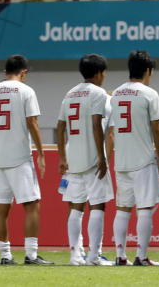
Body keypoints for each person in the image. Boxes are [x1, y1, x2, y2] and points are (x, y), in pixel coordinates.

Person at [0, 54, 51, 265]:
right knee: (31, 206)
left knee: (1, 209)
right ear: (24, 72)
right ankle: (31, 254)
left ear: (4, 72)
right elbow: (32, 123)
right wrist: (42, 152)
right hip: (20, 157)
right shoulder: (26, 91)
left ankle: (5, 256)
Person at [55, 54, 113, 266]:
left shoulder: (70, 94)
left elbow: (60, 127)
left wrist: (62, 157)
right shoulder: (99, 93)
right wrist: (102, 156)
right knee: (97, 206)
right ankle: (94, 257)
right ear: (99, 73)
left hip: (73, 159)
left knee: (76, 208)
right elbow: (97, 124)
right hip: (92, 159)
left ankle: (74, 255)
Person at [109, 50, 159, 266]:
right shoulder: (149, 94)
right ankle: (141, 256)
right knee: (144, 208)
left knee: (122, 209)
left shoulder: (116, 94)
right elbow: (157, 128)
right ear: (148, 70)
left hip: (121, 160)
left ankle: (120, 256)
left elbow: (111, 130)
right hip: (142, 160)